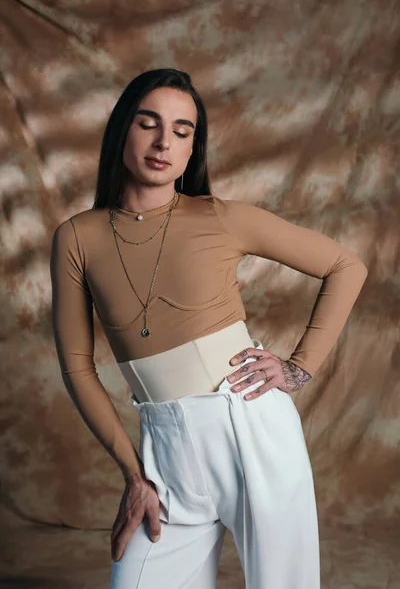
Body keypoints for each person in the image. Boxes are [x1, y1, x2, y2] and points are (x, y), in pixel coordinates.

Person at [50, 68, 368, 589]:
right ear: (121, 130)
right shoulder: (77, 238)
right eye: (148, 123)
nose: (163, 142)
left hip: (250, 427)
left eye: (182, 131)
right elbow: (77, 367)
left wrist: (298, 368)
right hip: (163, 452)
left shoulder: (219, 217)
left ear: (193, 147)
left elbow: (346, 266)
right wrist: (135, 474)